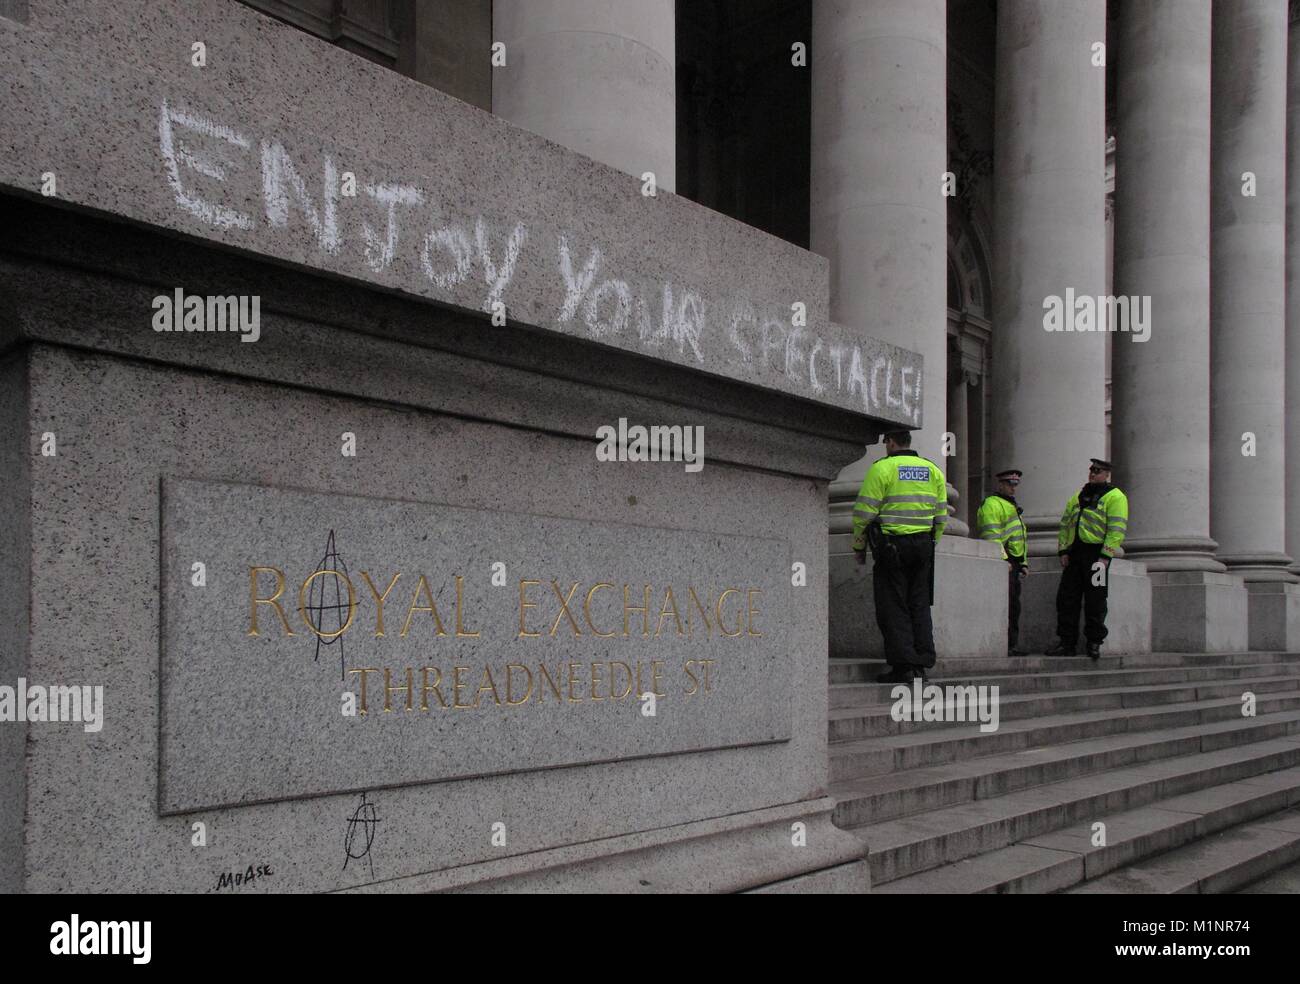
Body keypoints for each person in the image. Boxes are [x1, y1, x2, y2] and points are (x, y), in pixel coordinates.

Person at [851, 430, 948, 683]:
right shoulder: (932, 470)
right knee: (919, 604)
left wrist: (859, 546)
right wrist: (932, 541)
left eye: (886, 443)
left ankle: (904, 665)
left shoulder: (882, 469)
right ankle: (922, 664)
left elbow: (864, 512)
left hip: (892, 547)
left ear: (891, 442)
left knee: (893, 606)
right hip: (923, 546)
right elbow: (941, 516)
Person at [1046, 458, 1128, 660]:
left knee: (1096, 600)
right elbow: (1066, 525)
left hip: (1097, 556)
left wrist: (1106, 555)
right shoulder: (1077, 496)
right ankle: (1067, 643)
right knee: (1066, 599)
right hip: (1075, 555)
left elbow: (1116, 530)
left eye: (1097, 471)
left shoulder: (1116, 497)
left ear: (1107, 474)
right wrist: (1063, 551)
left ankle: (1094, 642)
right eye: (1091, 470)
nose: (1093, 474)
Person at [976, 469, 1029, 657]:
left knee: (1014, 605)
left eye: (1015, 485)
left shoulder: (1011, 506)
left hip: (1012, 562)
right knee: (1007, 605)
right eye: (1009, 484)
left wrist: (1023, 563)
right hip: (1002, 561)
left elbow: (1020, 537)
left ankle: (1012, 644)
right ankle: (1006, 644)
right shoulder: (992, 504)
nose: (1013, 488)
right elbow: (991, 535)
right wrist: (1002, 560)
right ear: (1000, 484)